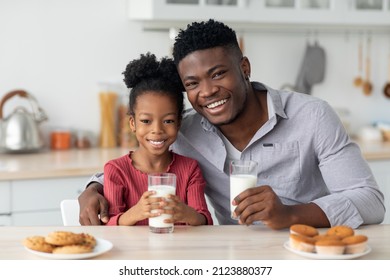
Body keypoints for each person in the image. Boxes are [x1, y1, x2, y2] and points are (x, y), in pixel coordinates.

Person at [79, 19, 385, 229]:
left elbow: (370, 201)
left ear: (244, 67)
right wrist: (93, 188)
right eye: (193, 83)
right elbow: (140, 158)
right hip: (233, 256)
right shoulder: (184, 130)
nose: (208, 91)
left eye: (217, 74)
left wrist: (291, 214)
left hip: (307, 250)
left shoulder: (313, 116)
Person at [102, 52, 212, 226]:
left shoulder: (190, 169)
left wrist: (185, 213)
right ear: (133, 123)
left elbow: (204, 220)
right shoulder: (116, 170)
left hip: (179, 251)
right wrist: (135, 213)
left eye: (168, 121)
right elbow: (108, 227)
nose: (157, 130)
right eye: (146, 121)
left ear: (178, 123)